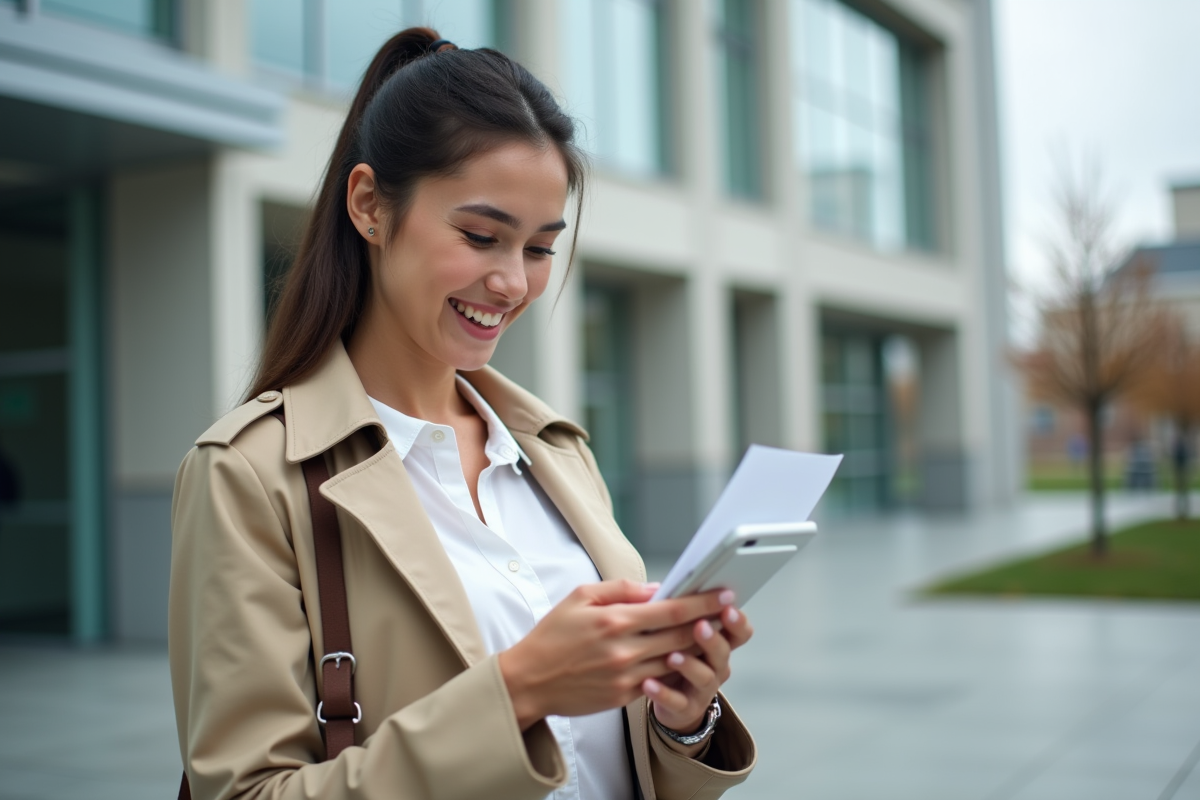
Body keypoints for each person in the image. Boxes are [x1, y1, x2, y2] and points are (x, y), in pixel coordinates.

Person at [169, 28, 756, 800]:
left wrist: (683, 718)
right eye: (481, 236)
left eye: (541, 248)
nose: (512, 283)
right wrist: (519, 690)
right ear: (370, 206)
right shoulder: (250, 475)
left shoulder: (558, 452)